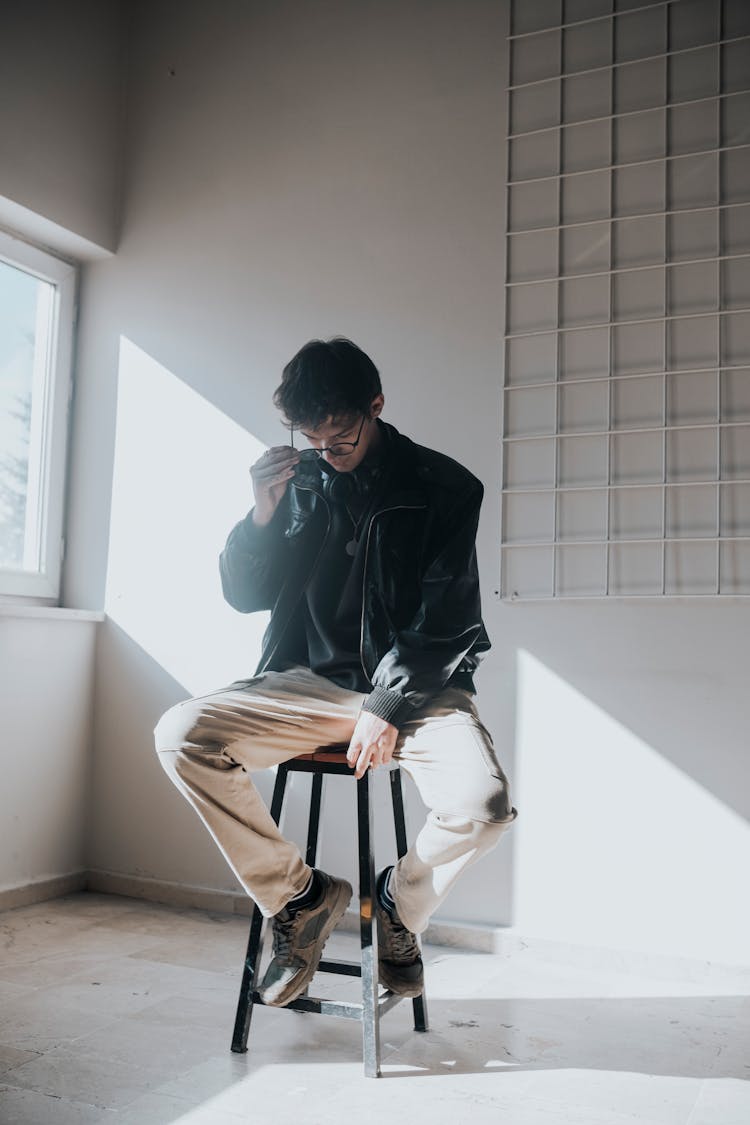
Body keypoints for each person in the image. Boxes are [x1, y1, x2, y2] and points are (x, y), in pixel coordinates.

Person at [154, 337, 518, 1009]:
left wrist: (386, 700)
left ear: (375, 407)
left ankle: (397, 908)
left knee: (483, 805)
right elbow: (244, 593)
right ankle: (300, 896)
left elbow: (449, 616)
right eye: (311, 437)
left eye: (341, 435)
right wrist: (261, 513)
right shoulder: (300, 479)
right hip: (307, 683)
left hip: (418, 689)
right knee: (180, 734)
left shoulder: (444, 487)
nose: (327, 450)